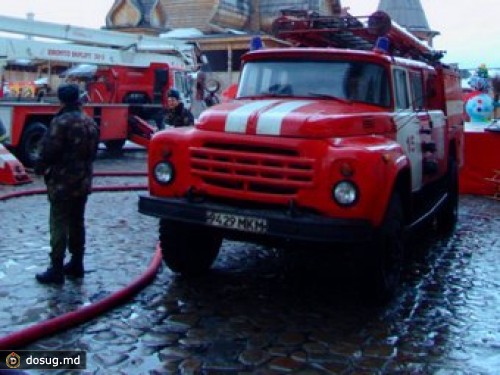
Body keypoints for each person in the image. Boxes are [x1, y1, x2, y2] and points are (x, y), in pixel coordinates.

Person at [34, 83, 100, 284]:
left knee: (59, 222)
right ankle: (77, 263)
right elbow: (94, 151)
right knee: (77, 222)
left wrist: (39, 167)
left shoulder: (61, 122)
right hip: (83, 181)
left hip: (62, 182)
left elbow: (48, 151)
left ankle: (56, 268)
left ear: (62, 100)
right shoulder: (89, 122)